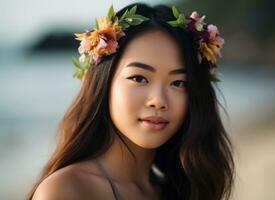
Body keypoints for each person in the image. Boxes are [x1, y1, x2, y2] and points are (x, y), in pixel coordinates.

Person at [27, 3, 234, 200]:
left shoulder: (183, 189)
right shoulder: (65, 190)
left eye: (179, 83)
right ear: (104, 83)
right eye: (139, 78)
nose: (159, 101)